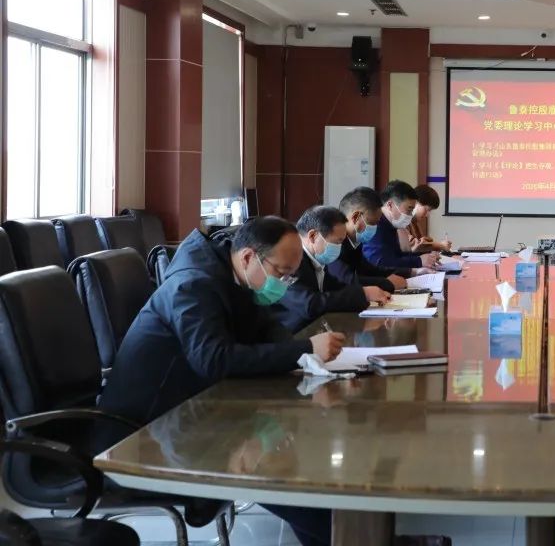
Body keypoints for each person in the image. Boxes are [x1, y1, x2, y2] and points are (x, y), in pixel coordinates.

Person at [98, 217, 345, 546]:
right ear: (248, 257)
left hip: (195, 412)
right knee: (286, 481)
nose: (285, 283)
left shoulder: (234, 275)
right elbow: (213, 360)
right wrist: (303, 350)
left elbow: (263, 327)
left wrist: (300, 355)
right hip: (147, 432)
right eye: (281, 273)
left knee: (298, 474)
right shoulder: (194, 284)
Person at [271, 205, 392, 332]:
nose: (339, 248)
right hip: (293, 335)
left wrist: (366, 293)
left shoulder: (316, 260)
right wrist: (363, 294)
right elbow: (309, 304)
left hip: (317, 330)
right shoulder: (290, 261)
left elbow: (336, 287)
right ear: (313, 236)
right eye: (337, 242)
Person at [331, 186, 420, 291]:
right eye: (372, 223)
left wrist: (410, 272)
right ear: (355, 218)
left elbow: (370, 269)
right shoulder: (333, 243)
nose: (375, 228)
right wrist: (387, 283)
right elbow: (346, 280)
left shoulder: (354, 242)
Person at [362, 180, 440, 271]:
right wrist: (419, 261)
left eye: (412, 210)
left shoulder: (392, 224)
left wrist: (425, 257)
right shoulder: (374, 225)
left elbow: (398, 255)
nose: (410, 215)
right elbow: (380, 263)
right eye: (409, 209)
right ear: (390, 205)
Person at [398, 184, 452, 254]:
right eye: (427, 210)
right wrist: (440, 245)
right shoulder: (401, 219)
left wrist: (430, 244)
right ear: (415, 202)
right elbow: (413, 245)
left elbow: (422, 243)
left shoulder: (414, 221)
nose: (427, 215)